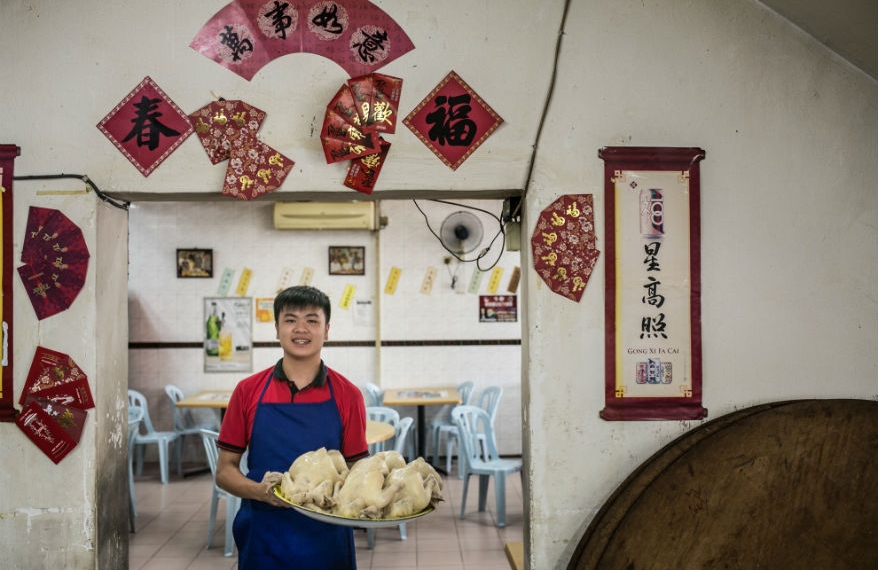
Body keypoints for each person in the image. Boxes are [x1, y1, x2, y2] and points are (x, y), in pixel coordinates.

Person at [216, 285, 368, 569]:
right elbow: (225, 471)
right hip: (264, 532)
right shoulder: (248, 391)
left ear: (326, 330)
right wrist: (261, 492)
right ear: (276, 329)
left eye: (312, 320)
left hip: (327, 538)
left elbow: (358, 471)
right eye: (290, 320)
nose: (301, 329)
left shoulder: (348, 395)